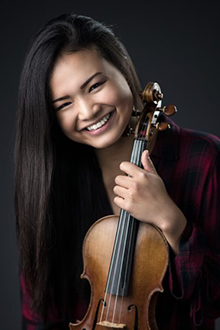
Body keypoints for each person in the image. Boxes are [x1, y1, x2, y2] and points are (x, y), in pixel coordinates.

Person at [15, 13, 220, 330]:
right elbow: (40, 314)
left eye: (95, 85)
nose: (87, 111)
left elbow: (214, 303)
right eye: (64, 104)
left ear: (123, 66)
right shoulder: (53, 181)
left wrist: (170, 219)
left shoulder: (203, 158)